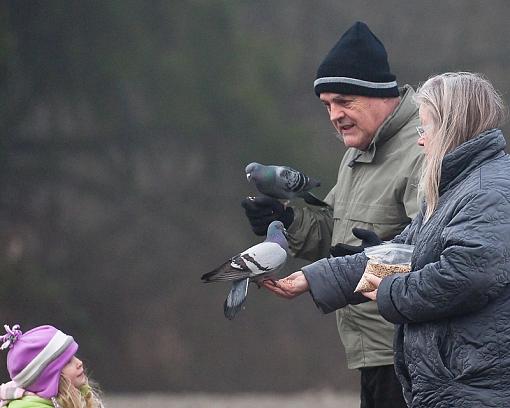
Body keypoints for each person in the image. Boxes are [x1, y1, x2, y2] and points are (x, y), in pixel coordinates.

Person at [263, 72, 510, 407]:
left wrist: (392, 293)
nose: (421, 141)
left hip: (475, 387)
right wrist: (314, 277)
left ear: (452, 126)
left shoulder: (487, 191)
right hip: (456, 386)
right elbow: (403, 254)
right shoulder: (456, 188)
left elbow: (469, 274)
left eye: (426, 128)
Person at [242, 21, 423, 408]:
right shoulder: (356, 152)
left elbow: (430, 253)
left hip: (412, 355)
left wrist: (356, 267)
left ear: (378, 93)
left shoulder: (424, 148)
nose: (334, 115)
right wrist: (287, 221)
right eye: (327, 105)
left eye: (344, 101)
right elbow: (334, 232)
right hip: (372, 354)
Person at [0, 324, 104, 408]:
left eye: (74, 356)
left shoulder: (76, 398)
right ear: (47, 379)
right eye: (68, 362)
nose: (79, 362)